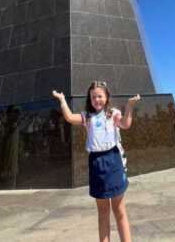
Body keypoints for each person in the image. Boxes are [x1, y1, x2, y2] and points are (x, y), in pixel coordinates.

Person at [52, 81, 140, 242]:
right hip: (96, 163)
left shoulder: (113, 113)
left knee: (119, 210)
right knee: (103, 212)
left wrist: (129, 106)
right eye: (93, 97)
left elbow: (126, 124)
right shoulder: (87, 116)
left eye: (100, 96)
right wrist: (62, 100)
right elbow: (70, 117)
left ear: (106, 97)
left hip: (113, 160)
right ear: (89, 99)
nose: (96, 99)